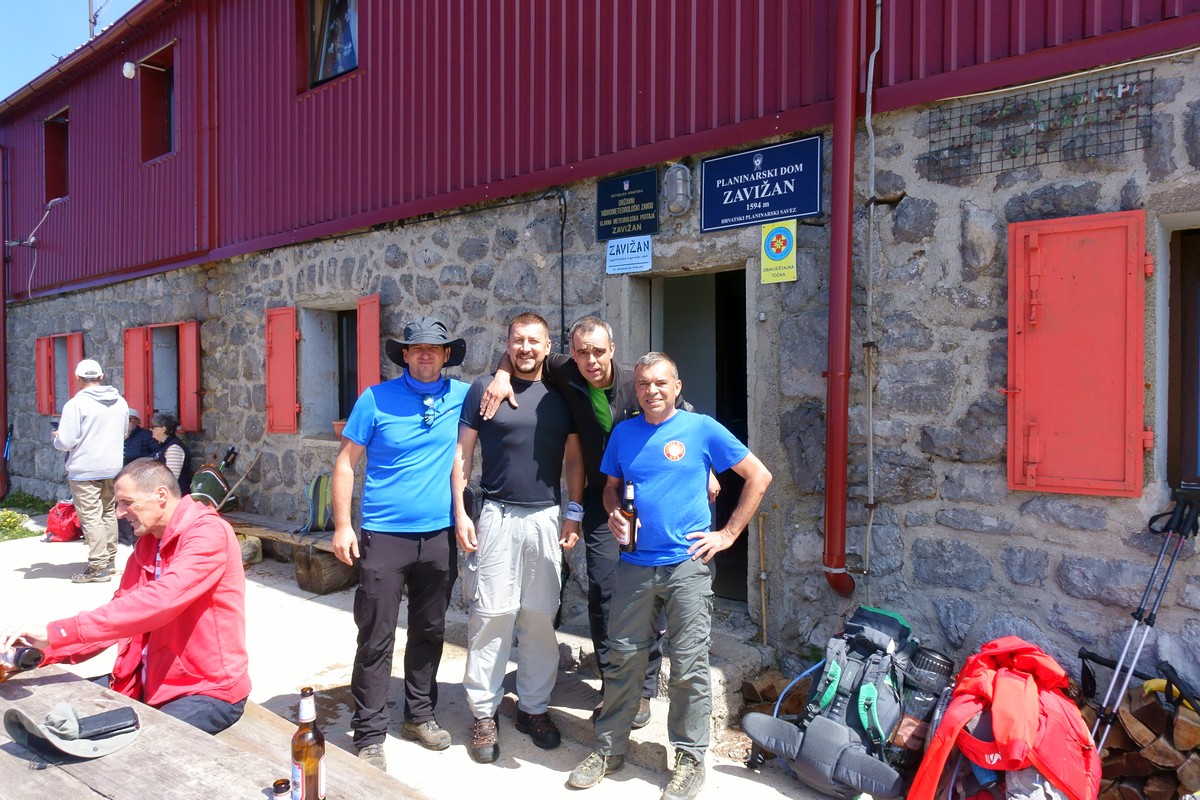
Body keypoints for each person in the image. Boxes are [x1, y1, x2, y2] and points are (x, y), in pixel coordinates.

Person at [481, 315, 714, 728]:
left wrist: (707, 467)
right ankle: (613, 685)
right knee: (605, 592)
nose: (591, 360)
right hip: (601, 500)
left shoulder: (635, 382)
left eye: (599, 352)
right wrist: (501, 374)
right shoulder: (565, 370)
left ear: (613, 350)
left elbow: (683, 416)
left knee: (648, 593)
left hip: (647, 501)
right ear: (571, 353)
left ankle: (643, 691)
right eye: (582, 352)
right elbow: (522, 349)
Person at [568, 352, 772, 800]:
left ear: (677, 387)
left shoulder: (702, 429)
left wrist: (728, 534)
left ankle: (689, 758)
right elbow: (611, 488)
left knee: (689, 664)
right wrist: (614, 513)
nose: (651, 391)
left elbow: (759, 475)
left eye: (660, 383)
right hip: (635, 566)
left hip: (686, 566)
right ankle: (609, 749)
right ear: (636, 389)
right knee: (623, 658)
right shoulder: (624, 433)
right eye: (643, 384)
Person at [1, 458, 251, 734]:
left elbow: (160, 601)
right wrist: (38, 652)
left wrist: (59, 631)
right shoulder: (149, 541)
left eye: (126, 503)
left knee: (133, 750)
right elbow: (121, 615)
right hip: (146, 682)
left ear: (161, 495)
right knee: (45, 720)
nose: (119, 513)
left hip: (204, 691)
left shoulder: (208, 533)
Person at [331, 315, 471, 771]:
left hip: (439, 535)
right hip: (385, 535)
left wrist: (507, 374)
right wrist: (343, 525)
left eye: (435, 347)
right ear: (405, 355)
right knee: (376, 635)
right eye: (417, 348)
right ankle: (369, 733)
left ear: (446, 355)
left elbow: (507, 386)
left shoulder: (463, 396)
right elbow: (346, 463)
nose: (426, 354)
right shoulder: (374, 398)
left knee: (430, 630)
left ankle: (419, 714)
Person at [453, 312, 583, 764]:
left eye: (534, 341)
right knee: (491, 616)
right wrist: (460, 512)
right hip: (497, 515)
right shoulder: (484, 389)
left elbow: (573, 460)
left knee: (540, 618)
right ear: (507, 344)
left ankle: (533, 708)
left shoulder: (562, 395)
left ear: (548, 346)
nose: (526, 348)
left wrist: (573, 512)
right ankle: (483, 713)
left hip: (546, 518)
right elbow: (463, 454)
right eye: (518, 340)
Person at [52, 359, 128, 583]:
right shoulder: (120, 402)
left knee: (91, 516)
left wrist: (57, 439)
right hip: (112, 465)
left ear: (78, 379)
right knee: (107, 512)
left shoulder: (76, 405)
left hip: (85, 468)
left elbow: (66, 441)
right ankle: (109, 559)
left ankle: (98, 566)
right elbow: (124, 433)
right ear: (101, 377)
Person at [151, 413, 193, 495]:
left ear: (163, 429)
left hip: (174, 495)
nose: (150, 429)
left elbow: (171, 478)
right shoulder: (164, 444)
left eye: (153, 427)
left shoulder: (174, 448)